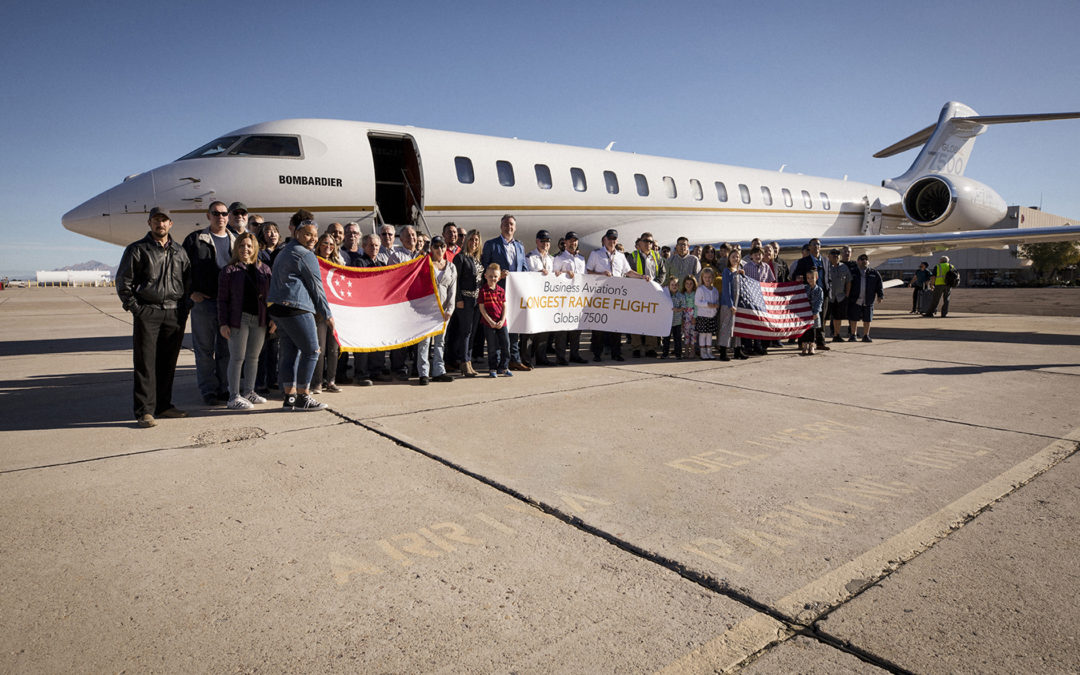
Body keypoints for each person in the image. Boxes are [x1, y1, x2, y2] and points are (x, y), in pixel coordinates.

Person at [116, 210, 191, 427]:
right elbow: (124, 281)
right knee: (145, 363)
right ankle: (144, 411)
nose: (161, 224)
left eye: (164, 220)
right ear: (149, 223)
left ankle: (164, 406)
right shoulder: (138, 249)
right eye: (156, 220)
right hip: (148, 312)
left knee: (168, 362)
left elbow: (188, 281)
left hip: (174, 312)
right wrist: (136, 308)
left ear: (171, 223)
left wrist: (185, 308)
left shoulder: (179, 251)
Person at [268, 218, 333, 411]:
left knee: (290, 352)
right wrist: (327, 314)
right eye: (307, 234)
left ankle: (289, 398)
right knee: (312, 351)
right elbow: (316, 287)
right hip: (296, 307)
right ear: (297, 233)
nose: (312, 239)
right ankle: (304, 396)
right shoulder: (305, 254)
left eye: (314, 235)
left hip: (278, 308)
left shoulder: (284, 251)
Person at [182, 201, 237, 405]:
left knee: (226, 349)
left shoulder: (236, 240)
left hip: (228, 305)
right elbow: (182, 270)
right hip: (204, 303)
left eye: (224, 213)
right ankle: (208, 390)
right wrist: (190, 293)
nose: (220, 217)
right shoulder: (196, 239)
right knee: (204, 349)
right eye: (216, 213)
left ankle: (224, 388)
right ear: (208, 216)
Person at [217, 232, 272, 409]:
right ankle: (233, 396)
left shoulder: (264, 269)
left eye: (249, 246)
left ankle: (249, 391)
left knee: (253, 357)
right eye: (241, 245)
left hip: (260, 320)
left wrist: (273, 319)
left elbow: (271, 298)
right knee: (237, 358)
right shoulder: (229, 270)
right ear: (236, 248)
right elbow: (222, 300)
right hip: (238, 319)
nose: (245, 249)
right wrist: (223, 323)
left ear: (255, 248)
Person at [481, 214, 530, 370]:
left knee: (513, 326)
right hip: (496, 293)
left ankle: (513, 359)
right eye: (506, 224)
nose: (509, 227)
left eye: (511, 224)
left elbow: (524, 269)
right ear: (501, 227)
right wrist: (496, 275)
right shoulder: (491, 244)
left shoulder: (520, 246)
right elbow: (484, 267)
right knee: (497, 328)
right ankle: (496, 363)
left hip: (514, 292)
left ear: (515, 227)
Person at [586, 229, 632, 362]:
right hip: (599, 295)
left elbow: (628, 271)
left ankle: (616, 353)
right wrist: (601, 274)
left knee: (616, 326)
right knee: (599, 325)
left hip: (615, 295)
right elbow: (588, 272)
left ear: (617, 241)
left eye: (614, 239)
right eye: (610, 238)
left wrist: (643, 277)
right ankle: (597, 353)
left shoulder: (621, 256)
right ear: (604, 239)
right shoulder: (596, 254)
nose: (612, 241)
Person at [416, 236, 457, 385]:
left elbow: (453, 290)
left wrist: (450, 310)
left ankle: (439, 371)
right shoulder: (425, 264)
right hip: (427, 310)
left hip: (443, 310)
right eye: (436, 246)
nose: (440, 249)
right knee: (425, 342)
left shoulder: (451, 267)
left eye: (442, 246)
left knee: (440, 342)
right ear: (431, 248)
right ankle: (423, 373)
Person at [312, 234, 343, 393]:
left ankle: (331, 381)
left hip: (335, 312)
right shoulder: (313, 260)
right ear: (318, 245)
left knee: (333, 349)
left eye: (331, 244)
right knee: (320, 348)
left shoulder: (338, 263)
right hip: (318, 313)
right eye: (325, 243)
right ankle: (317, 382)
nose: (329, 247)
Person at [627, 232, 665, 357]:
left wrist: (656, 284)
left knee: (651, 320)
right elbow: (627, 273)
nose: (648, 244)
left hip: (653, 293)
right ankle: (636, 347)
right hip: (637, 293)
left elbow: (662, 273)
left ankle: (651, 347)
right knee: (636, 321)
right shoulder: (632, 256)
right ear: (640, 242)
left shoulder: (657, 256)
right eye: (646, 241)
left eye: (650, 241)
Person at [552, 230, 588, 365]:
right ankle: (560, 356)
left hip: (577, 298)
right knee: (562, 330)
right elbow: (554, 276)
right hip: (563, 299)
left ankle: (575, 354)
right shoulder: (559, 258)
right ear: (565, 242)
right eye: (570, 241)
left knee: (576, 328)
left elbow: (584, 277)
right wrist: (565, 273)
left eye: (575, 241)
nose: (573, 243)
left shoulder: (581, 259)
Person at [451, 229, 483, 377]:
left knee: (472, 332)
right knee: (465, 332)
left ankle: (468, 361)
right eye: (471, 239)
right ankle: (464, 362)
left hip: (476, 301)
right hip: (465, 300)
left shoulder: (477, 259)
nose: (474, 243)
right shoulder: (460, 258)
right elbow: (455, 281)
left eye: (476, 240)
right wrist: (458, 299)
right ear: (466, 241)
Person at [790, 238, 831, 351]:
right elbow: (795, 276)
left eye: (818, 244)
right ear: (809, 247)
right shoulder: (803, 261)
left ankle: (820, 342)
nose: (816, 246)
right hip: (808, 295)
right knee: (805, 319)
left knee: (821, 320)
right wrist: (798, 278)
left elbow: (828, 277)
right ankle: (802, 342)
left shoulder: (826, 260)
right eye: (814, 244)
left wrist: (829, 289)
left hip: (823, 293)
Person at [524, 229, 555, 366]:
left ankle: (542, 357)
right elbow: (525, 275)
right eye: (542, 241)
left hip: (546, 300)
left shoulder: (552, 259)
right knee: (529, 331)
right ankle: (526, 359)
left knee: (543, 331)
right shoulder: (530, 257)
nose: (545, 244)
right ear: (537, 241)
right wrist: (538, 273)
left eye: (547, 242)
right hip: (533, 299)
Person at [478, 263, 511, 377]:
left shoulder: (501, 290)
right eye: (491, 276)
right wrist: (490, 321)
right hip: (488, 323)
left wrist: (502, 320)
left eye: (495, 276)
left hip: (502, 322)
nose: (493, 279)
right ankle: (492, 368)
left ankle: (504, 367)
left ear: (499, 277)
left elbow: (505, 306)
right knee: (492, 347)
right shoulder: (483, 291)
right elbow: (482, 308)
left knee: (506, 345)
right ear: (485, 276)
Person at [741, 246, 776, 355]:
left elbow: (771, 282)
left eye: (760, 254)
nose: (758, 256)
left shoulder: (766, 267)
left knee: (760, 323)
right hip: (750, 299)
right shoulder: (746, 267)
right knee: (750, 322)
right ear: (751, 256)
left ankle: (758, 345)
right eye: (755, 254)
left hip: (762, 299)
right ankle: (748, 346)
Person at [848, 254, 885, 341]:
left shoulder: (874, 273)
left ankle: (866, 335)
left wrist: (880, 295)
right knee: (854, 318)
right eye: (861, 259)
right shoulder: (853, 272)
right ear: (858, 261)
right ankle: (853, 335)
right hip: (855, 299)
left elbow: (879, 285)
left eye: (866, 259)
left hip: (868, 300)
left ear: (868, 262)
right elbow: (847, 284)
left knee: (867, 319)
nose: (864, 261)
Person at [719, 249, 747, 361]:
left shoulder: (740, 271)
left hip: (738, 304)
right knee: (726, 328)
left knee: (737, 328)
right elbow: (726, 289)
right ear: (729, 259)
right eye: (733, 257)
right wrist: (730, 305)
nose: (736, 259)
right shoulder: (727, 271)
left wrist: (743, 275)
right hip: (728, 305)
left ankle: (737, 350)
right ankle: (723, 352)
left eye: (737, 257)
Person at [826, 249, 853, 343]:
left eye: (837, 254)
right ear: (828, 256)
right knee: (825, 318)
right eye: (833, 254)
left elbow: (848, 281)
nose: (835, 256)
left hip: (840, 297)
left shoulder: (844, 267)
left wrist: (847, 294)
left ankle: (836, 335)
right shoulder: (826, 267)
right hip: (828, 297)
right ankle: (820, 336)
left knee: (838, 318)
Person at [695, 267, 720, 359]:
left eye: (709, 277)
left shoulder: (715, 290)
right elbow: (697, 302)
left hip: (711, 316)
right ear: (702, 278)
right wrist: (707, 304)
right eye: (705, 277)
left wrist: (716, 306)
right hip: (702, 316)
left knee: (709, 334)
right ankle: (703, 352)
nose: (707, 279)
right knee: (703, 334)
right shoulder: (700, 289)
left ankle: (709, 352)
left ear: (712, 278)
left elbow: (717, 301)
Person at [800, 268, 824, 355]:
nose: (810, 280)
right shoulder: (805, 288)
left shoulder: (819, 290)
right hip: (805, 314)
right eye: (808, 278)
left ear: (816, 278)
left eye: (812, 278)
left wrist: (815, 313)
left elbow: (819, 302)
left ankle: (812, 346)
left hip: (814, 314)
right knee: (806, 331)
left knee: (813, 332)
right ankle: (804, 346)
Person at [662, 275, 683, 358]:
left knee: (677, 338)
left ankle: (678, 354)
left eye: (676, 285)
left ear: (678, 286)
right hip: (667, 321)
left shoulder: (681, 296)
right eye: (672, 285)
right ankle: (665, 353)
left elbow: (683, 306)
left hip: (677, 321)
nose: (674, 286)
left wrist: (678, 309)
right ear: (669, 286)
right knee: (666, 338)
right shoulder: (666, 295)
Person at [678, 275, 697, 358]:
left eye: (691, 283)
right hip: (685, 315)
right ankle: (686, 350)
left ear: (694, 284)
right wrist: (682, 318)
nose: (688, 285)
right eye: (687, 283)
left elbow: (696, 306)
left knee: (693, 334)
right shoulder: (682, 294)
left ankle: (692, 350)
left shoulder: (695, 294)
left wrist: (695, 317)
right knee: (686, 333)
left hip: (693, 314)